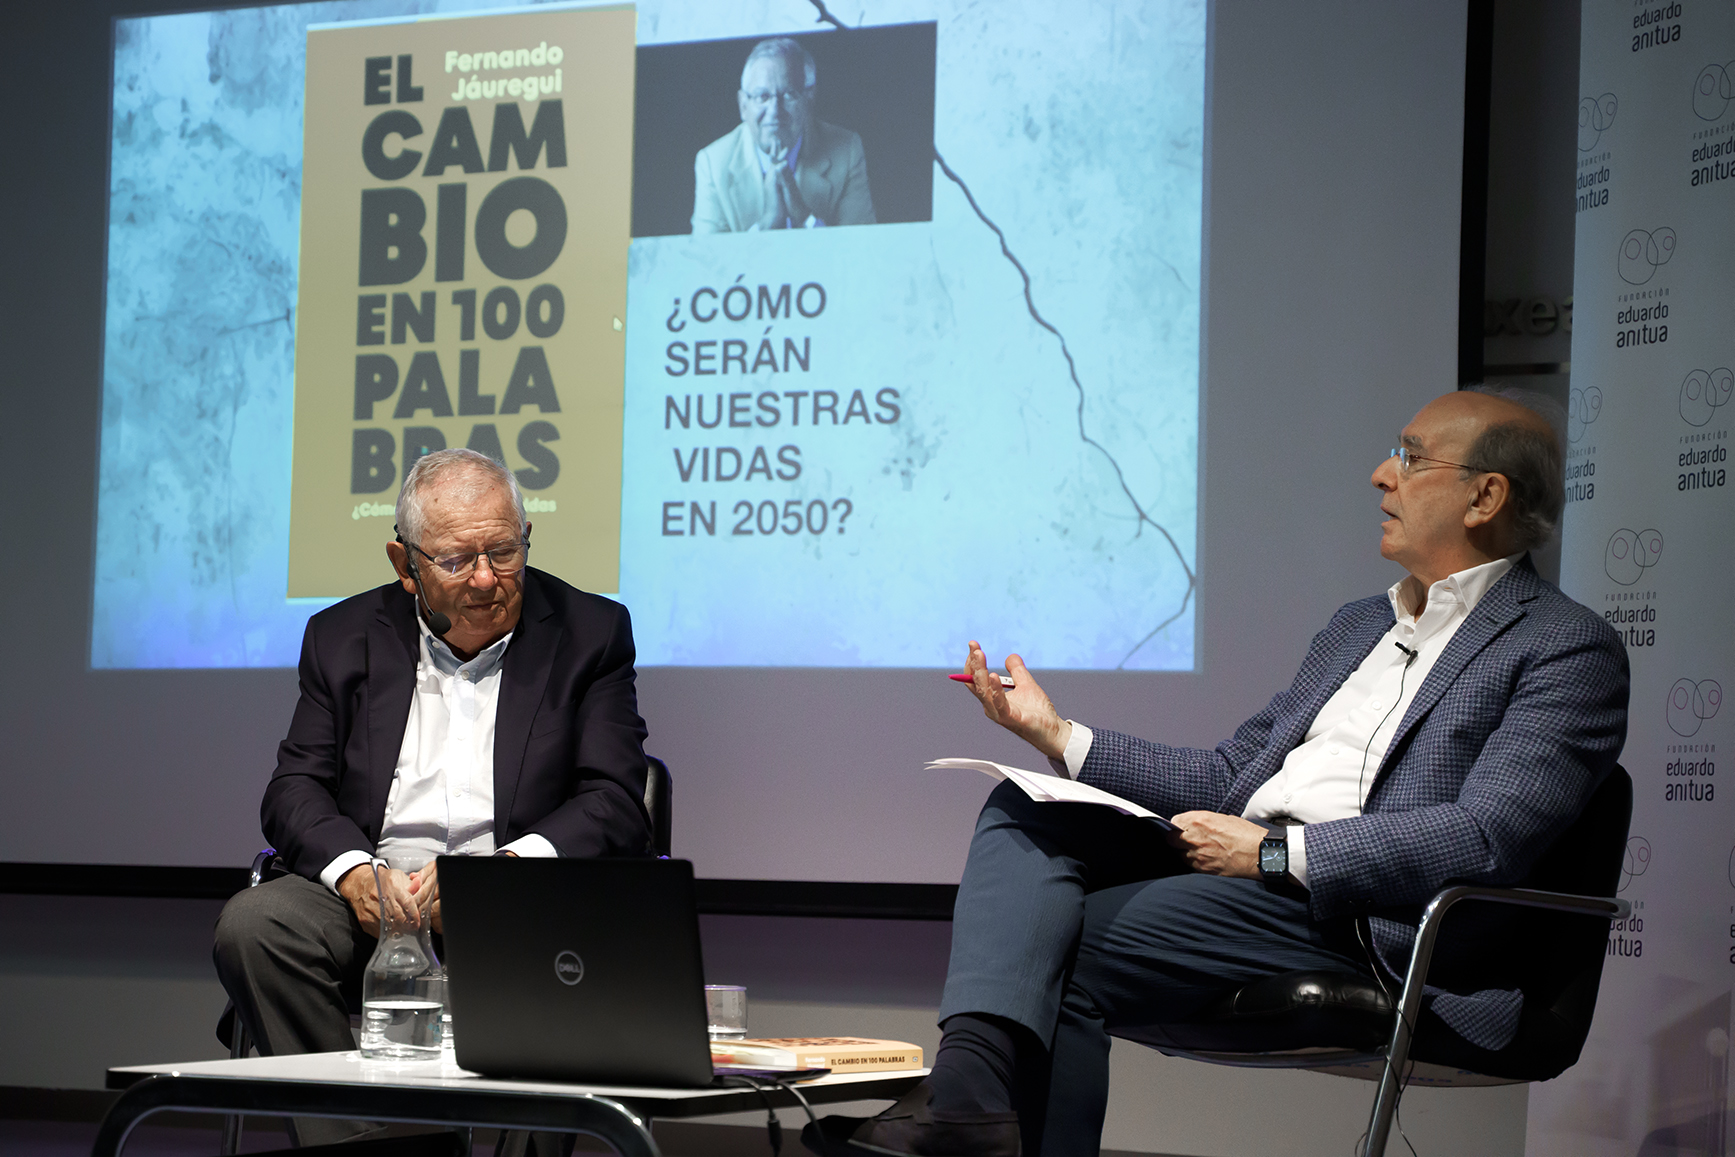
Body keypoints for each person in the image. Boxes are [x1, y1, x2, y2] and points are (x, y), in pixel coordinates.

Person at [808, 389, 1630, 1157]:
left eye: (1410, 458)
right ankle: (967, 1103)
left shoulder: (1561, 646)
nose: (1381, 473)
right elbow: (1233, 773)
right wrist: (1056, 735)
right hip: (1245, 872)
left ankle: (964, 1116)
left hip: (1364, 917)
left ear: (1483, 497)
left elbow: (1486, 836)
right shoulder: (1357, 627)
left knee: (1066, 942)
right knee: (1025, 809)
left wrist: (1275, 855)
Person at [214, 448, 651, 1147]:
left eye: (504, 551)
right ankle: (370, 1143)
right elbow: (294, 787)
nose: (486, 578)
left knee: (570, 945)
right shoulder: (340, 636)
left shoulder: (589, 632)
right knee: (256, 925)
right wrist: (355, 872)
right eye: (456, 559)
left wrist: (500, 874)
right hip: (376, 898)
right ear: (403, 562)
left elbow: (616, 797)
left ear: (526, 536)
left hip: (519, 903)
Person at [692, 37, 876, 233]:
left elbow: (861, 252)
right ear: (743, 105)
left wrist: (805, 217)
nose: (774, 111)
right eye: (762, 96)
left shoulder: (846, 151)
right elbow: (708, 260)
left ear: (809, 99)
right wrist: (767, 223)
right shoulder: (712, 163)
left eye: (789, 95)